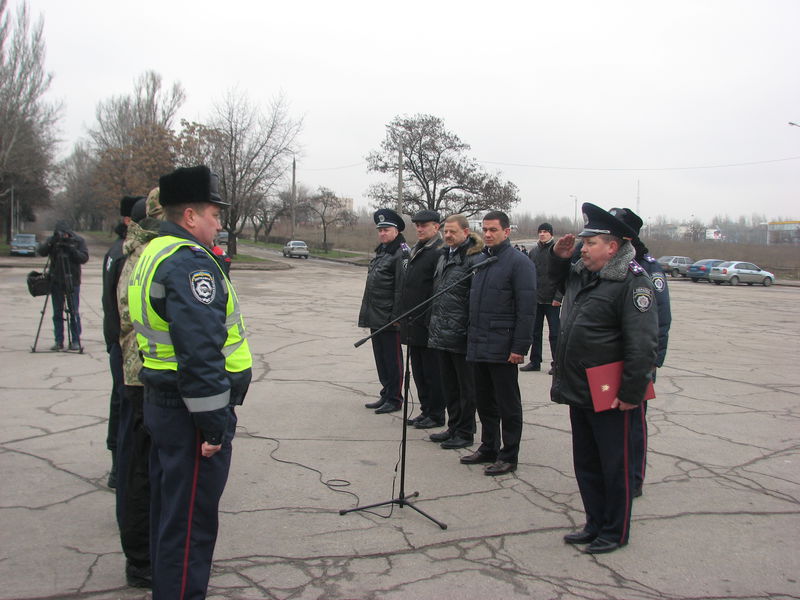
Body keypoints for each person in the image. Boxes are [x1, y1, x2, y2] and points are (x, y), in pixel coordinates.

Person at [128, 165, 252, 598]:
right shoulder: (188, 263)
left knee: (170, 515)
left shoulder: (154, 252)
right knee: (189, 528)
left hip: (165, 403)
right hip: (190, 415)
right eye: (214, 214)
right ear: (190, 217)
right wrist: (214, 425)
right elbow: (199, 352)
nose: (220, 223)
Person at [551, 202, 658, 555]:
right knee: (587, 462)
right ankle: (594, 522)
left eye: (591, 242)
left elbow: (642, 343)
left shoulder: (633, 281)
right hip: (580, 387)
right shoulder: (585, 274)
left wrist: (632, 391)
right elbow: (552, 286)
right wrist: (559, 258)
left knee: (615, 465)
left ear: (612, 247)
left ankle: (615, 530)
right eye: (584, 242)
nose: (583, 247)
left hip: (611, 391)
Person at [461, 210, 536, 475]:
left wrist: (519, 347)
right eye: (485, 229)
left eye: (494, 230)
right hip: (479, 343)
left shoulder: (519, 263)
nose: (488, 234)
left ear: (507, 231)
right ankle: (488, 447)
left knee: (507, 404)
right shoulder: (481, 260)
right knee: (484, 401)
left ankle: (509, 454)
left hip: (503, 346)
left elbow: (527, 310)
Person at [115, 192, 163, 588]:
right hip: (141, 377)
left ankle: (148, 553)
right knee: (141, 473)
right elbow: (132, 318)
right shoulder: (144, 255)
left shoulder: (141, 249)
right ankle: (141, 560)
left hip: (140, 374)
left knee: (148, 470)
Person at [608, 207, 671, 498]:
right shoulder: (609, 264)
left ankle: (634, 478)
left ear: (627, 236)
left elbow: (661, 319)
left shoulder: (647, 268)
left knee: (634, 423)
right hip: (610, 359)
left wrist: (652, 363)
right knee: (612, 423)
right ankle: (614, 473)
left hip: (639, 359)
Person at [427, 214, 485, 449]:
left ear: (466, 232)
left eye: (453, 232)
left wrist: (469, 330)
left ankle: (465, 431)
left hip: (462, 334)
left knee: (465, 388)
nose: (448, 235)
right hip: (442, 331)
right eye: (446, 232)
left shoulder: (474, 258)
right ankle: (453, 426)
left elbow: (476, 299)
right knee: (449, 385)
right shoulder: (444, 256)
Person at [103, 195, 143, 489]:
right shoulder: (126, 255)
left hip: (116, 339)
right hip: (124, 343)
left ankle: (119, 464)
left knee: (119, 402)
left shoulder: (115, 251)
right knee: (126, 406)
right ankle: (121, 468)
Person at [358, 208, 410, 414]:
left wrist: (397, 318)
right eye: (380, 230)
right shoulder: (383, 250)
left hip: (390, 318)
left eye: (386, 230)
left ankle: (395, 398)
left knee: (392, 359)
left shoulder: (402, 252)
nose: (382, 234)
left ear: (396, 231)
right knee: (381, 358)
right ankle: (386, 393)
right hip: (376, 315)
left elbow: (402, 288)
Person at [400, 209, 445, 429]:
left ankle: (436, 413)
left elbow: (437, 289)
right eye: (417, 225)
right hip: (413, 321)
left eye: (424, 225)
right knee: (418, 370)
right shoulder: (417, 249)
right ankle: (426, 409)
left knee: (432, 372)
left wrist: (428, 318)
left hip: (428, 323)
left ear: (436, 227)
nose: (419, 229)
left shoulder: (439, 251)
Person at [38, 221, 89, 351]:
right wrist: (51, 242)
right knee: (57, 313)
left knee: (74, 312)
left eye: (65, 234)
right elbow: (41, 251)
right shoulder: (53, 241)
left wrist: (72, 249)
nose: (63, 236)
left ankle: (76, 340)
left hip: (73, 281)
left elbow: (84, 258)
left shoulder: (77, 241)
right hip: (56, 281)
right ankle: (58, 341)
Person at [521, 222, 562, 374]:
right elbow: (529, 275)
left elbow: (562, 276)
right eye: (540, 231)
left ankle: (557, 363)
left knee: (555, 334)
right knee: (535, 332)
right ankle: (534, 361)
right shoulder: (534, 252)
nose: (542, 234)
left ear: (551, 234)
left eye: (545, 231)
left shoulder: (557, 252)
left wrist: (559, 296)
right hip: (536, 299)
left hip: (552, 300)